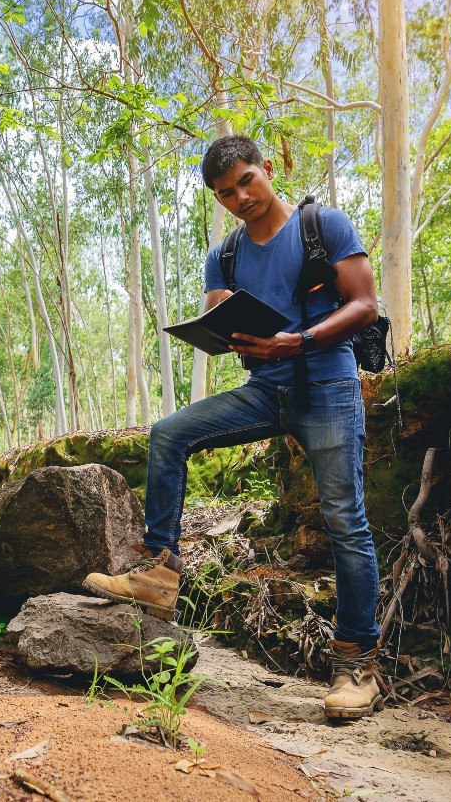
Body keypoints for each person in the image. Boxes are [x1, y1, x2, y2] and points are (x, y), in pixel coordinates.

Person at [82, 135, 383, 720]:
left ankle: (356, 664)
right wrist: (225, 332)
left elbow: (366, 304)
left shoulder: (323, 226)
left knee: (345, 520)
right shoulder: (223, 256)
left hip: (327, 386)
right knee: (169, 432)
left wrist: (301, 338)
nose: (240, 197)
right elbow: (224, 323)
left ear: (267, 169)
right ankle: (160, 572)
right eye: (225, 193)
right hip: (264, 390)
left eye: (247, 181)